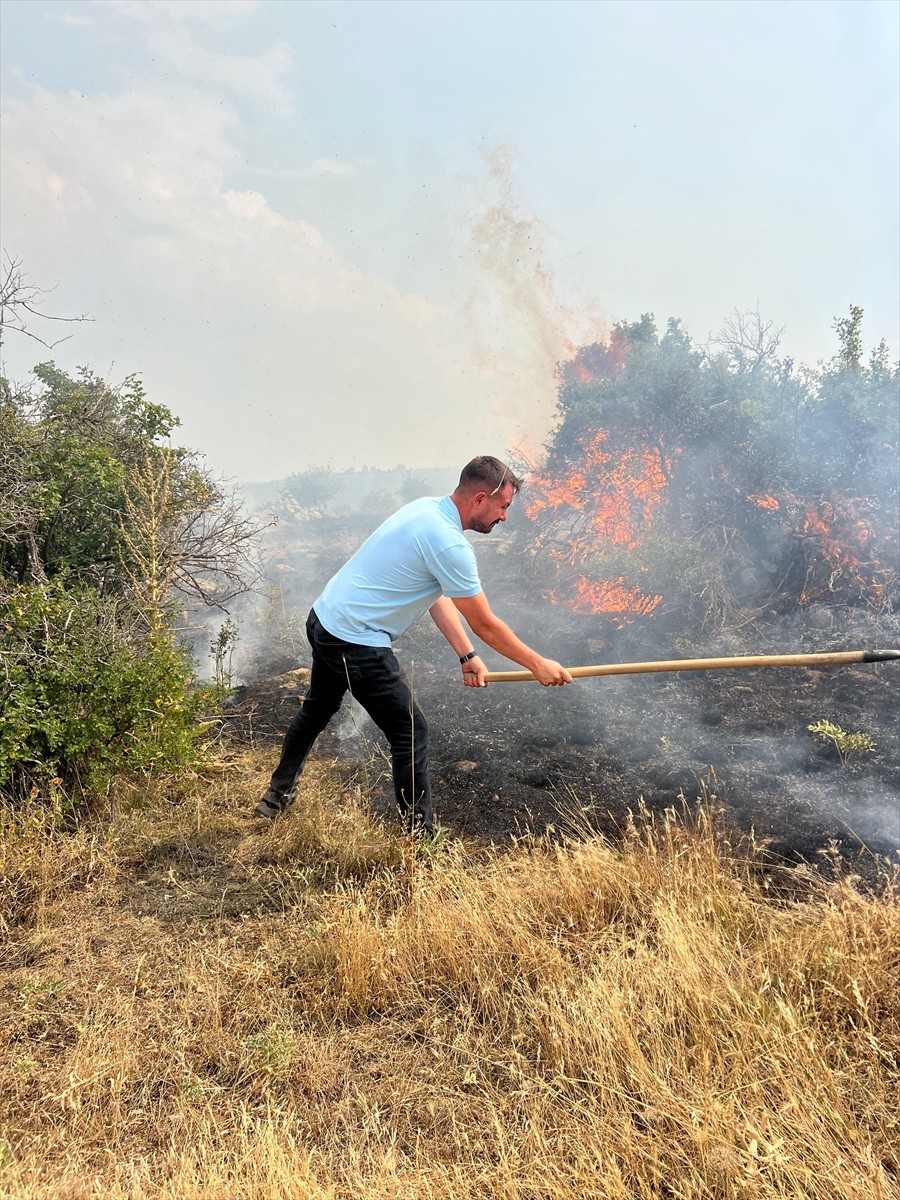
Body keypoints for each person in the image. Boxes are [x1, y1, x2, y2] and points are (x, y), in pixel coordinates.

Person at [257, 455, 572, 835]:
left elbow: (434, 593)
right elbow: (485, 623)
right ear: (480, 498)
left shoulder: (426, 510)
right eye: (502, 507)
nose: (504, 517)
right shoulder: (449, 544)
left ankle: (275, 797)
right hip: (355, 641)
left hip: (325, 619)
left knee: (317, 710)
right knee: (411, 731)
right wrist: (536, 664)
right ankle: (420, 837)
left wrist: (467, 655)